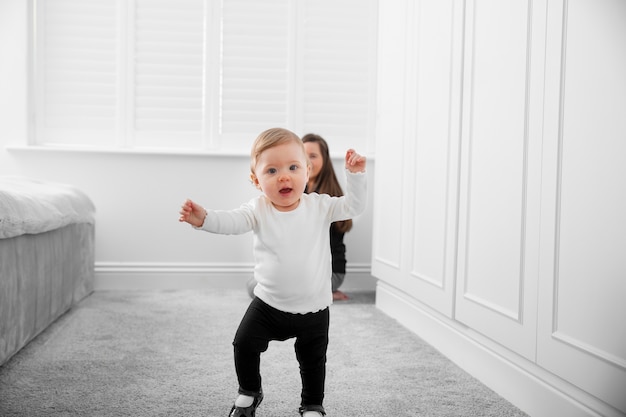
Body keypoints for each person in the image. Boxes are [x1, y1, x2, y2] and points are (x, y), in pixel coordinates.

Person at [178, 127, 367, 417]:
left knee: (313, 361)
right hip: (269, 305)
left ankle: (312, 404)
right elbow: (232, 222)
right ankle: (249, 391)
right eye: (272, 170)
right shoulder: (258, 209)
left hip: (314, 307)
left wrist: (355, 176)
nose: (284, 176)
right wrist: (204, 219)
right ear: (256, 180)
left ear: (308, 170)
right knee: (243, 343)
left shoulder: (320, 206)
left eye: (293, 167)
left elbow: (354, 205)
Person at [302, 133, 353, 301]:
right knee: (256, 285)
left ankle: (324, 292)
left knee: (262, 289)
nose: (307, 161)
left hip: (330, 272)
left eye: (313, 156)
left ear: (324, 159)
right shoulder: (298, 192)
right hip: (306, 269)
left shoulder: (330, 197)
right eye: (302, 156)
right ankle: (321, 292)